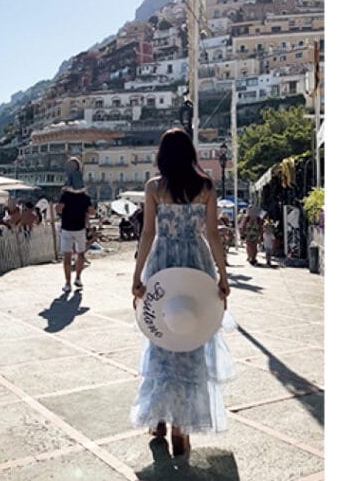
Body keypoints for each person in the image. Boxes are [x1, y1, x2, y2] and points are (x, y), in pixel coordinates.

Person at [130, 128, 234, 457]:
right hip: (196, 265)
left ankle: (159, 419)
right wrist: (223, 276)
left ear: (162, 156)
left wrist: (137, 276)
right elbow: (213, 235)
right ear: (191, 154)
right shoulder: (206, 187)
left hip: (163, 265)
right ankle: (181, 429)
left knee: (162, 338)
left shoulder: (154, 188)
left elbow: (148, 233)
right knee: (191, 338)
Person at [55, 188, 94, 292]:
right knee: (80, 254)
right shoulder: (85, 197)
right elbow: (92, 212)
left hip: (67, 228)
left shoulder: (65, 196)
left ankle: (68, 283)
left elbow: (58, 209)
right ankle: (78, 278)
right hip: (80, 228)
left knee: (67, 256)